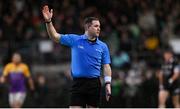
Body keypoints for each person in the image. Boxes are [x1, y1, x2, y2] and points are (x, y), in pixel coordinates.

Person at [42, 5, 112, 108]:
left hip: (94, 84)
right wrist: (48, 22)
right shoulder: (75, 40)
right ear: (88, 27)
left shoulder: (103, 46)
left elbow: (106, 66)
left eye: (99, 26)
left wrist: (108, 83)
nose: (99, 29)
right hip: (78, 83)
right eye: (96, 26)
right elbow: (55, 36)